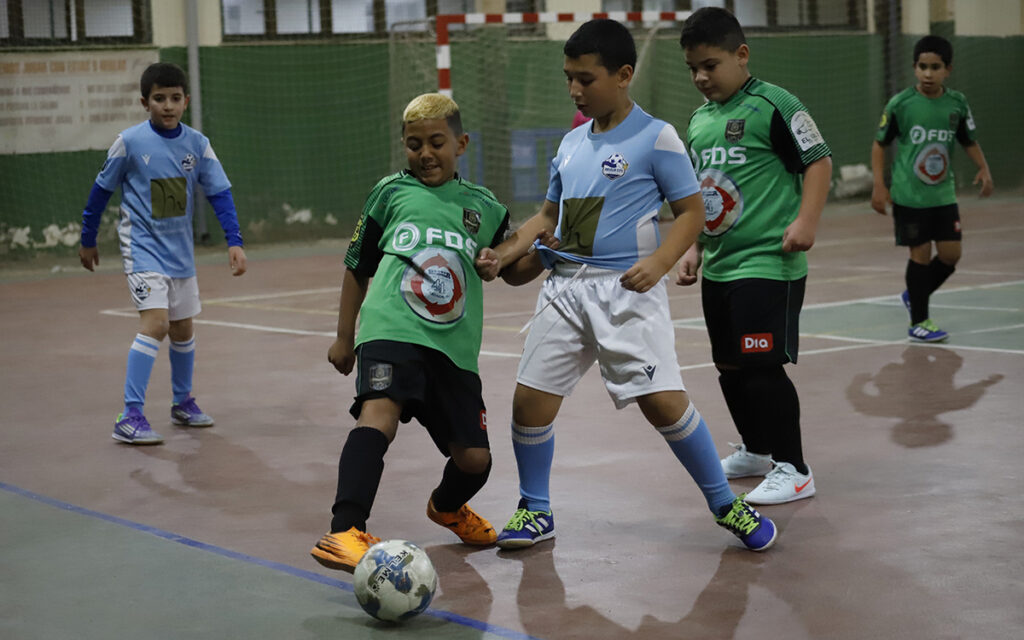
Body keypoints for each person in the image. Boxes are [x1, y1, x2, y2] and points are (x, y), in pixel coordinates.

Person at [476, 19, 777, 553]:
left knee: (663, 404)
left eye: (585, 79)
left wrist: (661, 262)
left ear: (623, 75)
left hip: (627, 292)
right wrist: (504, 254)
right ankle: (535, 509)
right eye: (568, 78)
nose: (574, 89)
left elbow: (689, 212)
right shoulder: (570, 144)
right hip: (566, 289)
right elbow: (547, 214)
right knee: (528, 403)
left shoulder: (656, 136)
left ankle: (726, 504)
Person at [309, 93, 512, 572]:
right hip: (391, 329)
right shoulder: (390, 192)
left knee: (475, 460)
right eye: (414, 144)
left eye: (436, 142)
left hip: (454, 350)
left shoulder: (485, 208)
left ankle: (445, 506)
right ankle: (344, 531)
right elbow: (357, 265)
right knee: (377, 417)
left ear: (460, 143)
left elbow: (513, 266)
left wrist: (530, 255)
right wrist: (344, 336)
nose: (425, 153)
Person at [675, 7, 832, 505]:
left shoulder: (775, 103)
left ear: (741, 55)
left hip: (769, 262)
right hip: (720, 266)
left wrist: (806, 221)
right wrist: (695, 247)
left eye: (711, 65)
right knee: (730, 367)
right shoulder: (699, 121)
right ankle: (758, 451)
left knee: (762, 367)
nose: (701, 77)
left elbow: (819, 161)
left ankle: (795, 468)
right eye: (693, 68)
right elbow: (705, 192)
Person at [78, 62, 247, 446]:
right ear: (145, 102)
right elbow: (99, 193)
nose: (167, 106)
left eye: (174, 98)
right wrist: (88, 238)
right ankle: (130, 414)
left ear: (186, 101)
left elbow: (219, 193)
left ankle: (182, 402)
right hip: (143, 249)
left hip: (179, 252)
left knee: (183, 328)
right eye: (159, 99)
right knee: (155, 325)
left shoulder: (198, 144)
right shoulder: (130, 142)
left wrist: (233, 240)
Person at [870, 35, 993, 343]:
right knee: (920, 254)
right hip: (910, 195)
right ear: (914, 68)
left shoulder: (957, 104)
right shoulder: (901, 105)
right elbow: (879, 144)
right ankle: (919, 322)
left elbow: (968, 139)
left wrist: (983, 167)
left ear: (947, 70)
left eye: (935, 67)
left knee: (951, 254)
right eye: (922, 67)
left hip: (942, 194)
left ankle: (915, 294)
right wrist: (879, 185)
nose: (928, 73)